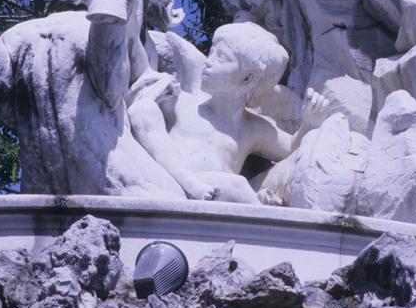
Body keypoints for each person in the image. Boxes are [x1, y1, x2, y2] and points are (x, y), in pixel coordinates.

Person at [127, 22, 330, 203]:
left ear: (247, 79)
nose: (208, 61)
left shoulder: (254, 128)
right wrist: (152, 92)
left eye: (221, 57)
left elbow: (291, 148)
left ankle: (257, 212)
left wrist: (310, 123)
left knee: (237, 185)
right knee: (144, 108)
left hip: (216, 193)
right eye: (212, 51)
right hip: (170, 179)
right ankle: (191, 183)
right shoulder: (182, 102)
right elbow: (136, 109)